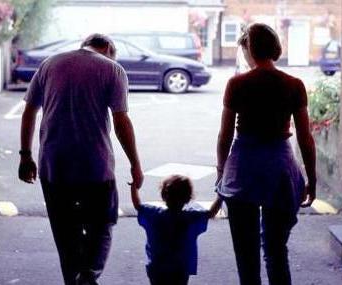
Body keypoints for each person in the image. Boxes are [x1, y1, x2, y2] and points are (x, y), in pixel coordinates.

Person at [18, 33, 143, 285]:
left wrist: (25, 156)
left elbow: (30, 111)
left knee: (65, 235)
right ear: (108, 48)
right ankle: (88, 277)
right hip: (95, 167)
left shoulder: (49, 64)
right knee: (102, 227)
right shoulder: (113, 69)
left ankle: (74, 281)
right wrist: (135, 164)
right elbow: (121, 122)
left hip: (54, 166)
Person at [216, 23, 317, 285]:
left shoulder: (237, 84)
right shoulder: (294, 85)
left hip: (243, 168)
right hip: (279, 168)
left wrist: (220, 172)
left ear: (249, 48)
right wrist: (311, 179)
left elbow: (225, 135)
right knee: (275, 250)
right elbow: (305, 138)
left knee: (246, 255)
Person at [130, 175, 222, 285]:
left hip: (157, 266)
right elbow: (211, 213)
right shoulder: (190, 217)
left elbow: (138, 206)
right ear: (188, 198)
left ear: (164, 195)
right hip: (180, 267)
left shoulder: (154, 214)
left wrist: (134, 187)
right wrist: (220, 194)